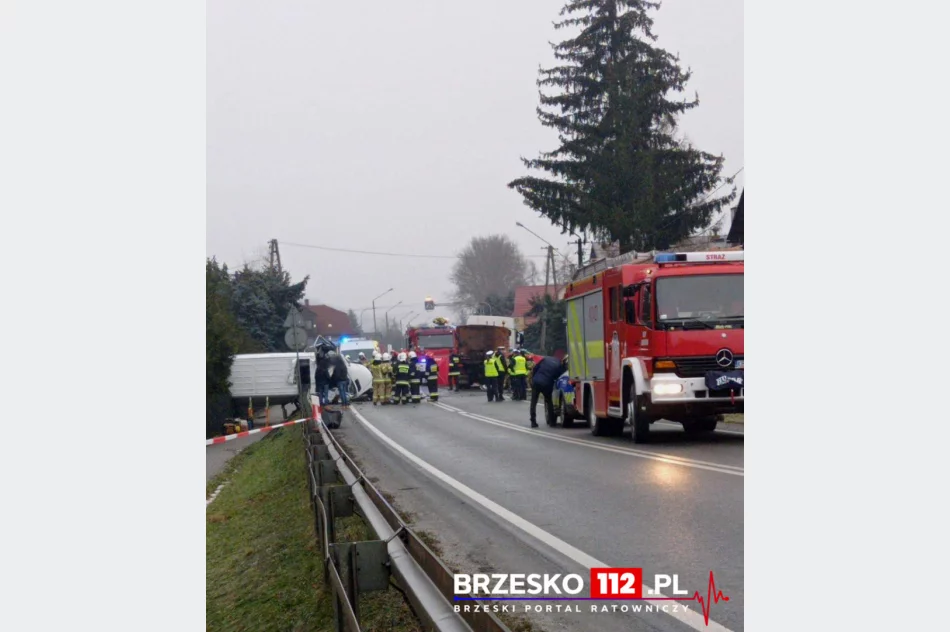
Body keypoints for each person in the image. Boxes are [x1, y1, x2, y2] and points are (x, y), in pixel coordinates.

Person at [529, 354, 568, 428]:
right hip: (547, 384)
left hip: (536, 382)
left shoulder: (545, 359)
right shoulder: (559, 365)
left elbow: (535, 368)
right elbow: (558, 377)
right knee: (549, 402)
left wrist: (534, 379)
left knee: (533, 402)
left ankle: (533, 421)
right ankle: (552, 422)